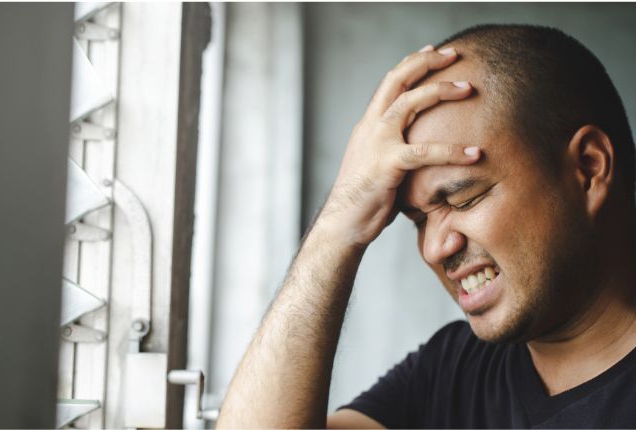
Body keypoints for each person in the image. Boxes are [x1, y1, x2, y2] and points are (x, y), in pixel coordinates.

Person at [216, 24, 636, 428]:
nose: (435, 248)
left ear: (588, 168)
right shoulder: (450, 371)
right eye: (417, 220)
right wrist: (338, 224)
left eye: (463, 198)